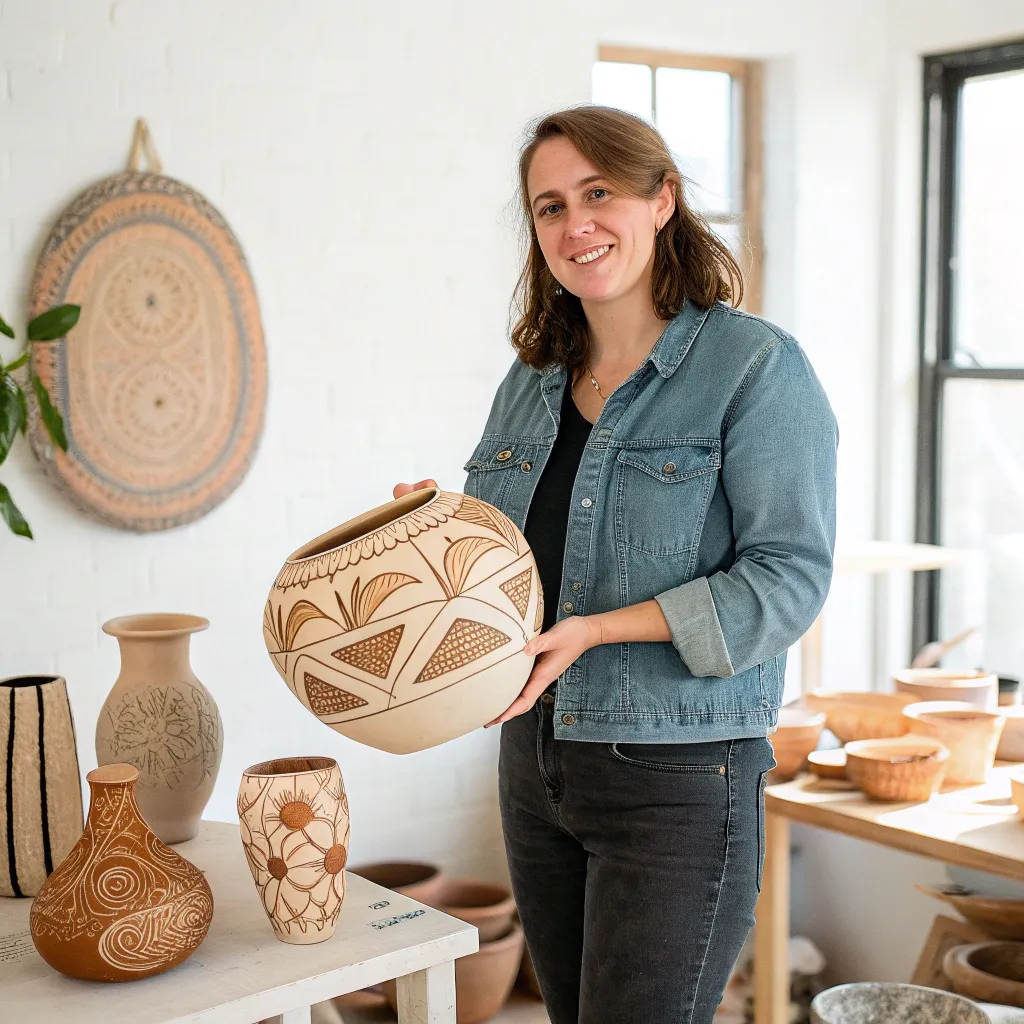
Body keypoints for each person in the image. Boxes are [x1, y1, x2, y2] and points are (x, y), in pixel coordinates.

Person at [394, 105, 838, 1024]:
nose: (575, 224)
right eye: (550, 206)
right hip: (536, 764)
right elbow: (511, 561)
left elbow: (788, 577)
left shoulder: (754, 369)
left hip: (678, 779)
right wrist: (434, 533)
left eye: (599, 193)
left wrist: (601, 628)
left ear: (662, 198)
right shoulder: (532, 377)